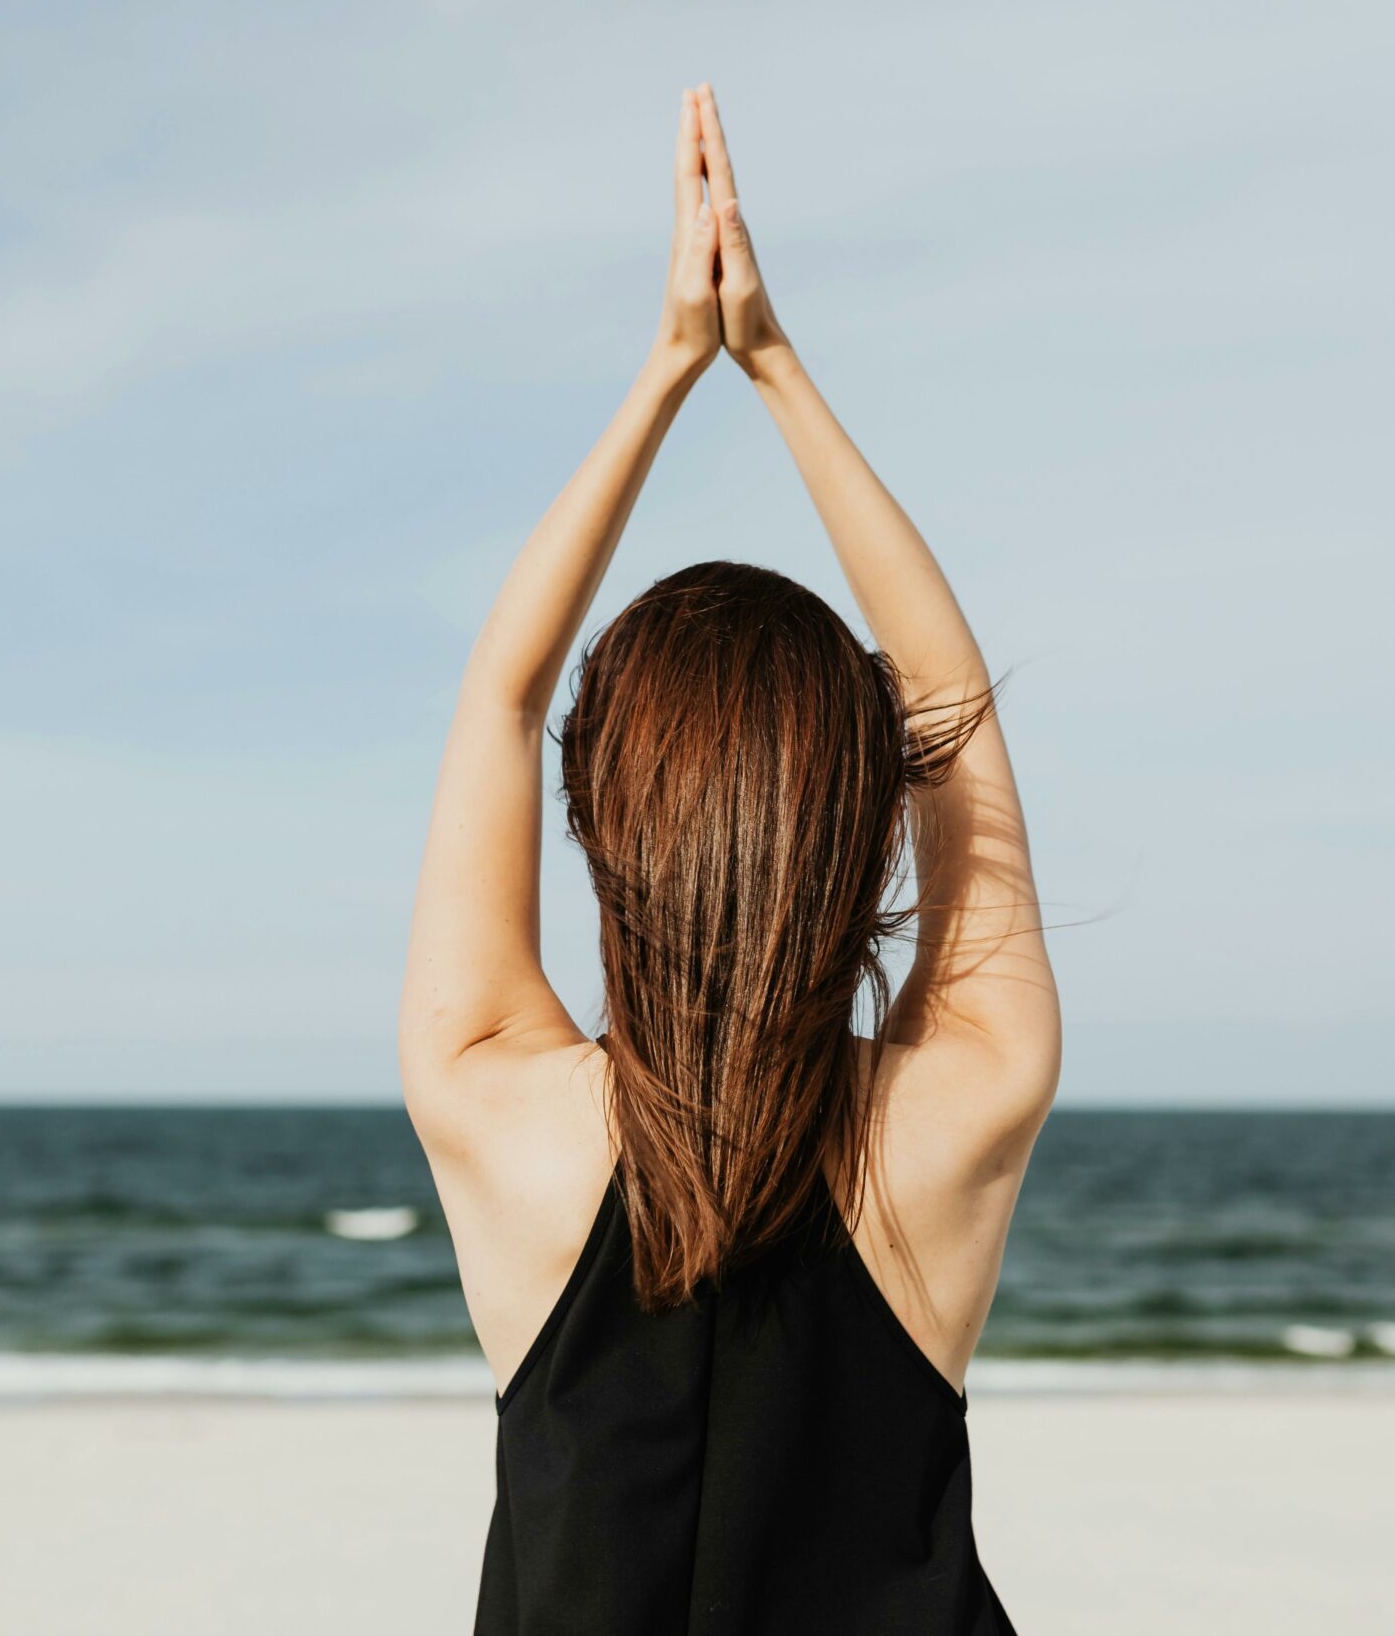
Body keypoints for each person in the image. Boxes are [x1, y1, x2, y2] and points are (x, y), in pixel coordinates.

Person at [399, 82, 1059, 1636]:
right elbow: (955, 710)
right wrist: (776, 368)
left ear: (593, 821)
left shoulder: (499, 1115)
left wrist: (668, 372)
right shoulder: (951, 1116)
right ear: (870, 816)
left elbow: (497, 698)